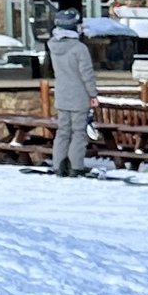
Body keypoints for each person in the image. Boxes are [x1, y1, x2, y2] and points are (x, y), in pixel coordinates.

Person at [46, 10, 97, 177]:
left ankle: (58, 165)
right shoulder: (79, 48)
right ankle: (75, 165)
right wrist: (93, 94)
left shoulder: (52, 45)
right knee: (78, 132)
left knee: (62, 131)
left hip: (61, 94)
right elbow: (86, 74)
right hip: (79, 95)